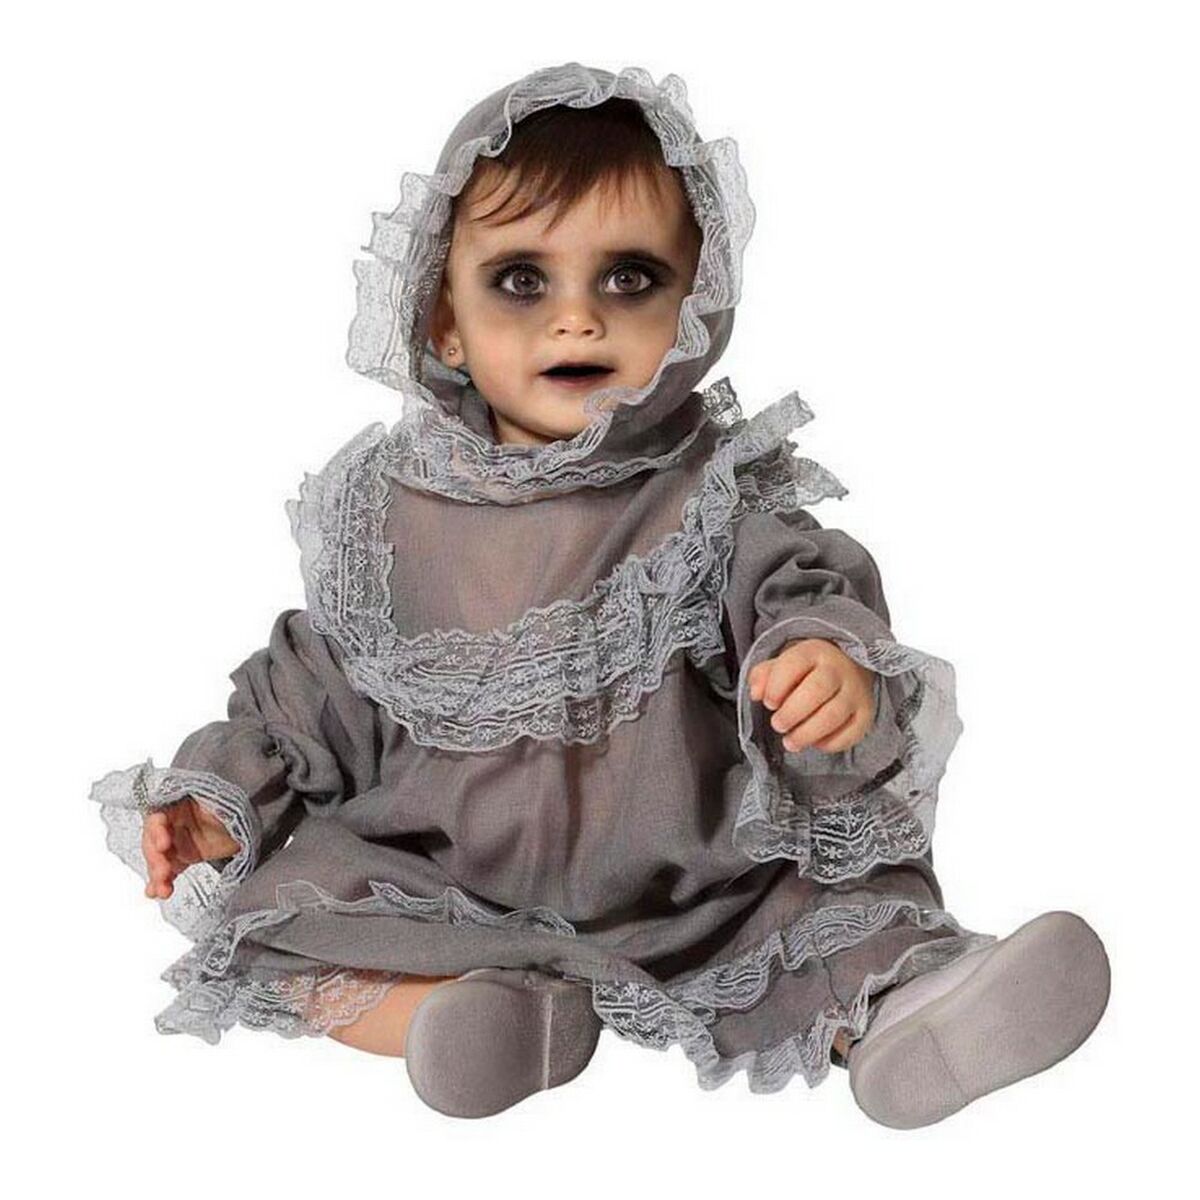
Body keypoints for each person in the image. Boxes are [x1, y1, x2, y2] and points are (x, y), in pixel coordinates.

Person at [89, 62, 1110, 1125]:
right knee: (281, 905)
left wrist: (821, 662)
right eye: (521, 281)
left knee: (829, 905)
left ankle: (910, 1012)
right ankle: (468, 1018)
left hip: (700, 891)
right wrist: (220, 798)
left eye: (628, 278)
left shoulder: (709, 496)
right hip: (451, 891)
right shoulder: (382, 519)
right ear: (442, 319)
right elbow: (308, 702)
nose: (576, 320)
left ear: (695, 304)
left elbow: (796, 591)